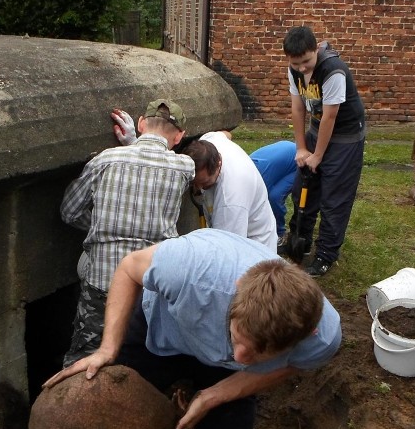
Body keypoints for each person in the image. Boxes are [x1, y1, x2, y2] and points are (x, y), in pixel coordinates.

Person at [44, 228, 341, 429]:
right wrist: (107, 349)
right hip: (162, 329)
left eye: (257, 355)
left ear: (304, 336)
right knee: (106, 406)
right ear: (237, 289)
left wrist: (215, 395)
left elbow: (292, 365)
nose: (239, 358)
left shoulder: (321, 338)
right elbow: (128, 268)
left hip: (221, 373)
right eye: (238, 339)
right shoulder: (189, 270)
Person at [59, 99, 195, 367]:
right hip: (151, 285)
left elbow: (69, 212)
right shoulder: (185, 167)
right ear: (179, 136)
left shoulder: (105, 160)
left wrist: (101, 225)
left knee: (85, 353)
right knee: (141, 358)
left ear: (141, 124)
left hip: (103, 281)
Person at [111, 113, 278, 251]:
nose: (198, 189)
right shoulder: (211, 140)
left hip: (254, 251)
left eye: (205, 184)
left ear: (219, 163)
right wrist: (135, 144)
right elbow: (226, 134)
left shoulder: (231, 200)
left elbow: (227, 252)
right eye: (194, 182)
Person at [283, 25, 366, 277]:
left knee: (334, 199)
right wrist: (301, 148)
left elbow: (330, 117)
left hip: (345, 138)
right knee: (303, 188)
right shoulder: (295, 71)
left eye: (306, 61)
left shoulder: (333, 71)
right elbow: (298, 110)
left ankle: (325, 254)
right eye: (296, 63)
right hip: (318, 131)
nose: (302, 68)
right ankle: (301, 239)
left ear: (316, 49)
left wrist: (317, 156)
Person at [248, 140, 298, 244]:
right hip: (284, 151)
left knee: (274, 197)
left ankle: (280, 233)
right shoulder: (244, 170)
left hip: (297, 161)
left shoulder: (260, 178)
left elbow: (259, 206)